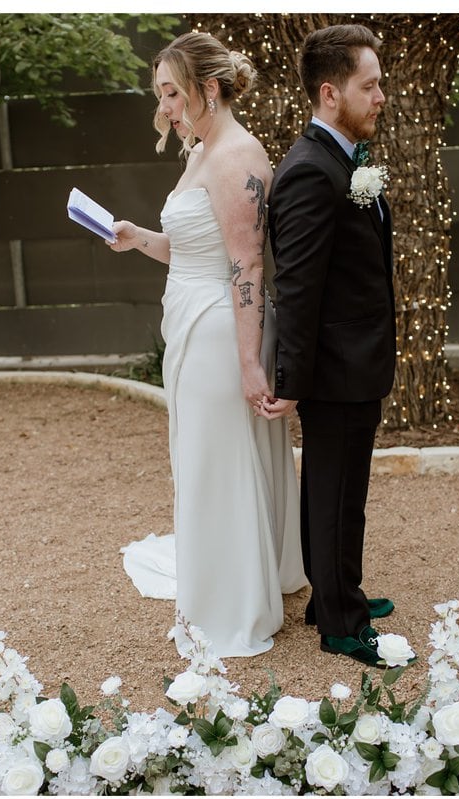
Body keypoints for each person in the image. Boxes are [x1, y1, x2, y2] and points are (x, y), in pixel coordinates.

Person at [109, 31, 307, 658]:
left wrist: (252, 365)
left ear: (209, 88)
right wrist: (137, 236)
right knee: (204, 452)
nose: (165, 106)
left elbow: (247, 267)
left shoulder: (237, 158)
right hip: (192, 313)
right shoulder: (200, 152)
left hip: (224, 328)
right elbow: (195, 250)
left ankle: (233, 601)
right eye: (161, 94)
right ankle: (248, 570)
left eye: (172, 92)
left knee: (214, 457)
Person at [261, 24, 404, 667]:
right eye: (369, 86)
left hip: (356, 361)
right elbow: (296, 287)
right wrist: (290, 380)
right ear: (329, 92)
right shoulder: (310, 173)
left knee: (341, 487)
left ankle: (336, 593)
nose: (381, 97)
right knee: (335, 489)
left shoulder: (344, 160)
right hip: (334, 369)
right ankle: (339, 624)